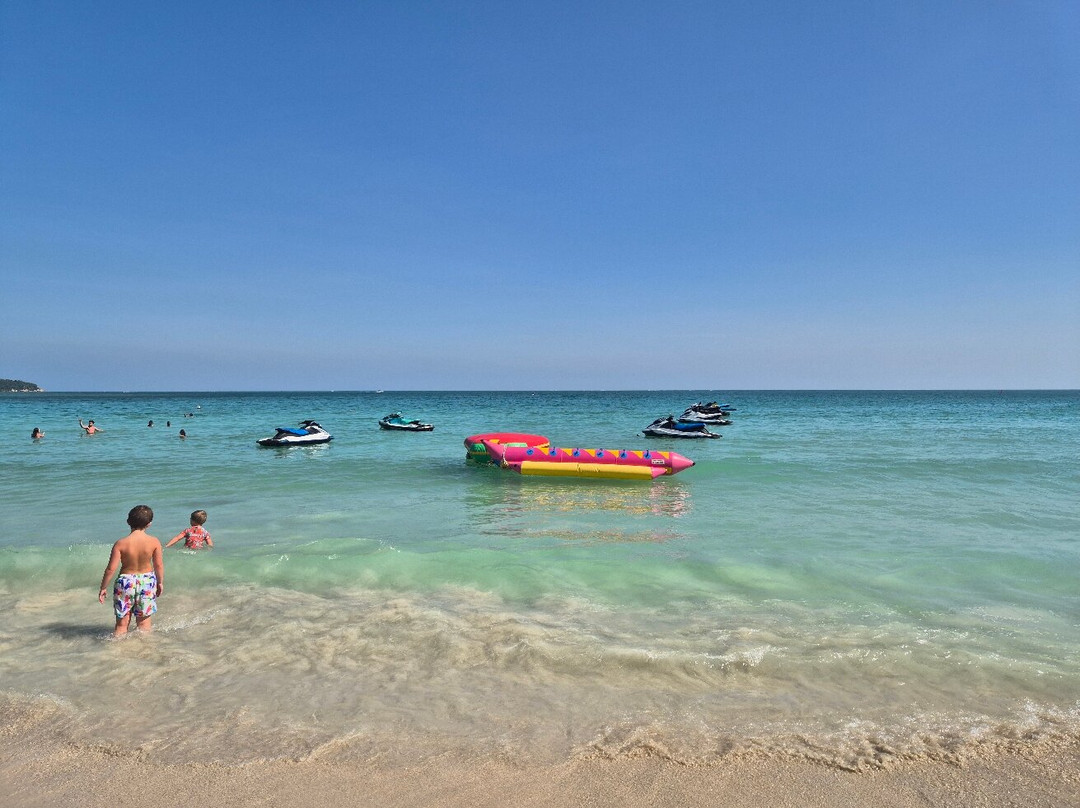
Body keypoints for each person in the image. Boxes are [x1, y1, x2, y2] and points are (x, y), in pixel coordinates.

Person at [98, 505, 164, 637]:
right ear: (149, 524)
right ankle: (145, 651)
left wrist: (103, 587)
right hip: (146, 582)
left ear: (128, 521)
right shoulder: (154, 541)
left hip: (125, 582)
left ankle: (116, 652)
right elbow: (158, 565)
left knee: (121, 625)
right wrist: (160, 582)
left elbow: (111, 568)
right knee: (144, 624)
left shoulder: (121, 543)